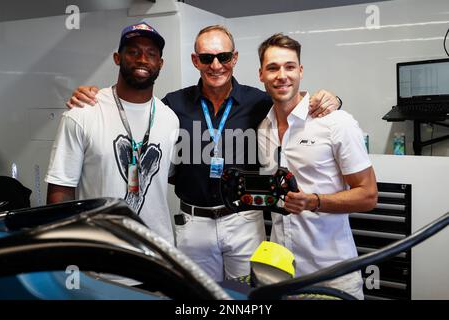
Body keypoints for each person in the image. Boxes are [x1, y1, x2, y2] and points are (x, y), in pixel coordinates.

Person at [66, 25, 341, 282]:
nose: (216, 65)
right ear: (195, 60)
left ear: (234, 58)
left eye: (223, 57)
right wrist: (92, 95)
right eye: (207, 58)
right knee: (195, 296)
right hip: (192, 223)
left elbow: (292, 98)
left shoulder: (258, 101)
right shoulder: (172, 105)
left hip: (244, 221)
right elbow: (134, 108)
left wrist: (333, 99)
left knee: (247, 296)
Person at [257, 33, 378, 299]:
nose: (282, 75)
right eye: (273, 68)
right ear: (261, 74)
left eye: (289, 66)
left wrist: (313, 201)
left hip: (331, 276)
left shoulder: (336, 123)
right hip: (281, 275)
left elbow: (368, 195)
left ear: (300, 71)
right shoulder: (262, 128)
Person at [45, 22, 179, 245]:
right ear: (117, 58)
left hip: (157, 255)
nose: (142, 59)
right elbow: (61, 189)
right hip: (100, 254)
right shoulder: (83, 114)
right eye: (133, 52)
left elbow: (168, 177)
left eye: (151, 54)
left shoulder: (170, 119)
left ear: (160, 63)